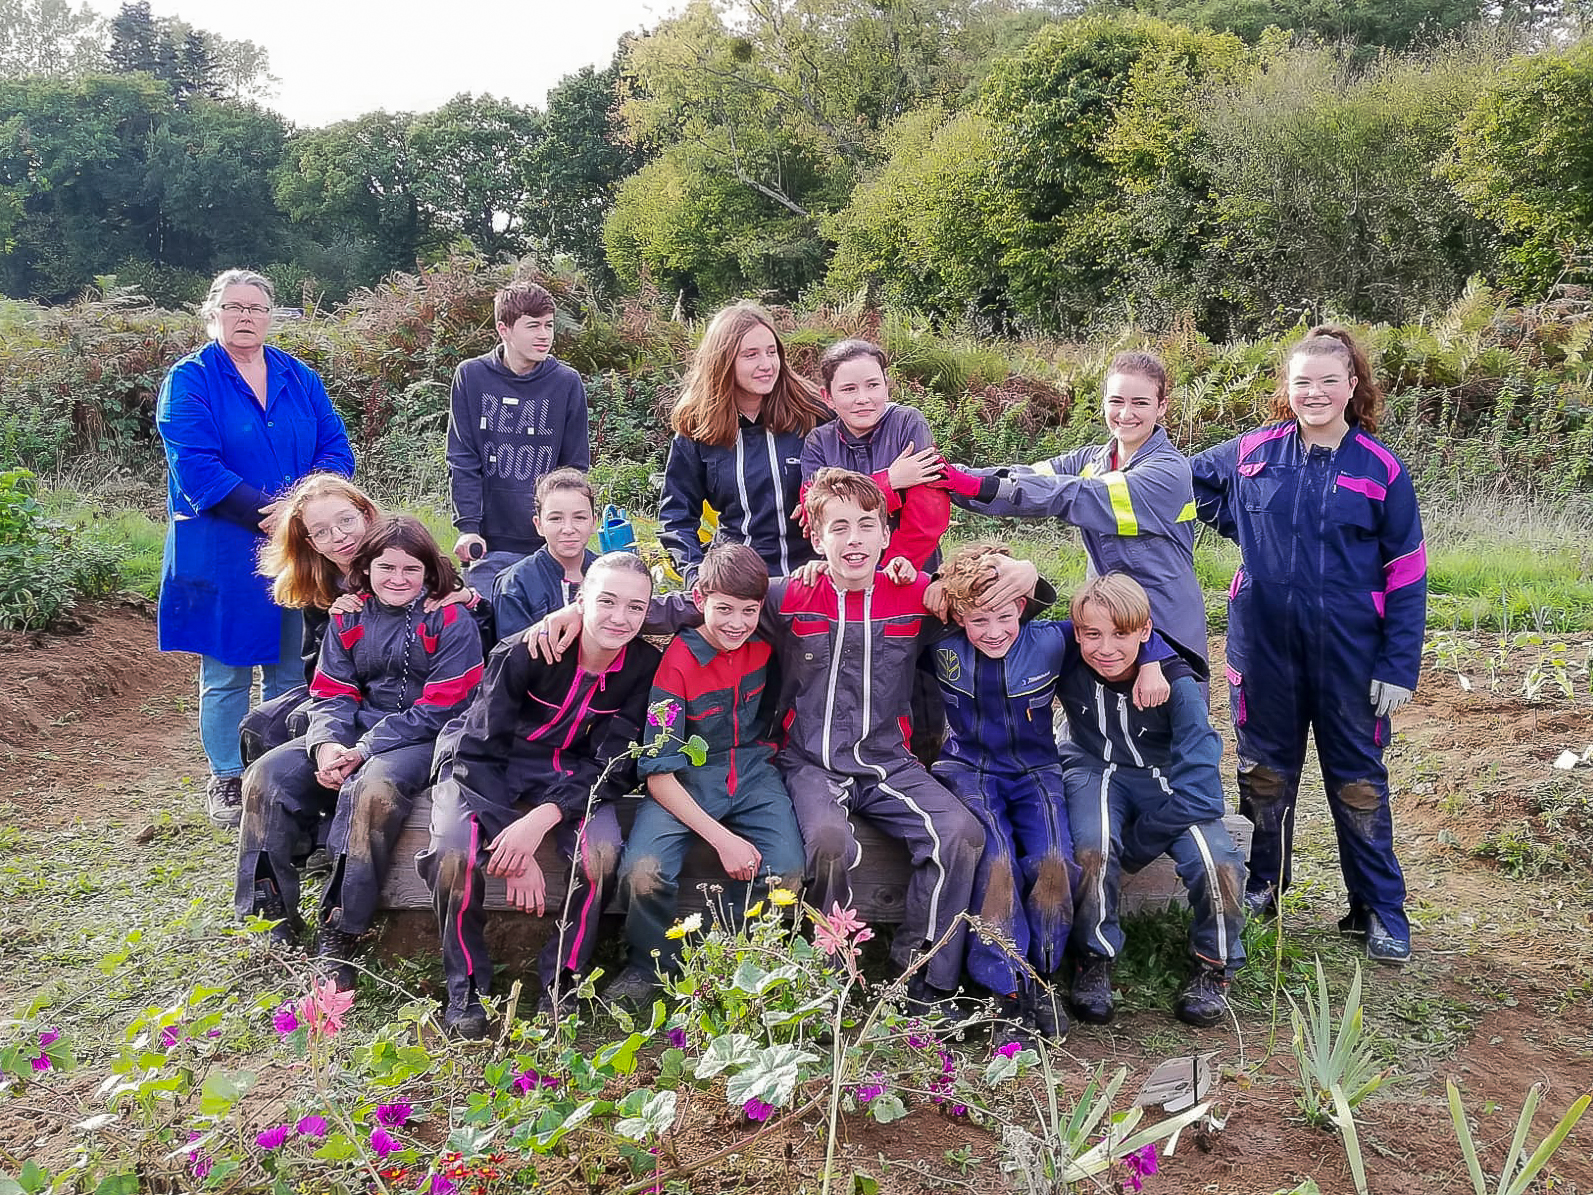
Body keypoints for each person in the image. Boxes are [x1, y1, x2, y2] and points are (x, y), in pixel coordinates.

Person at [1191, 326, 1425, 964]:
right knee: (1263, 775)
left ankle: (1378, 909)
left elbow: (1407, 574)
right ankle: (1265, 884)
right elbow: (1184, 483)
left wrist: (1398, 664)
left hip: (1350, 652)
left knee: (1357, 783)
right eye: (1303, 382)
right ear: (1286, 390)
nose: (1315, 393)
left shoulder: (1381, 470)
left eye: (1329, 381)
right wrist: (1234, 521)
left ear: (1353, 387)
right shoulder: (1250, 454)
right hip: (1263, 643)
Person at [932, 544, 1173, 1046]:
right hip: (968, 769)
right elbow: (886, 605)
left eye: (1003, 615)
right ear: (957, 616)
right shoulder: (939, 642)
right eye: (978, 620)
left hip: (1037, 770)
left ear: (1021, 606)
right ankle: (1006, 987)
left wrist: (1152, 661)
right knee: (994, 859)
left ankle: (1042, 974)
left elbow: (1114, 628)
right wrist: (929, 584)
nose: (994, 631)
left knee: (1053, 860)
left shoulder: (1049, 641)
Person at [418, 552, 662, 1038]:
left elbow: (613, 764)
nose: (619, 618)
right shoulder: (525, 651)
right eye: (606, 602)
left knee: (600, 855)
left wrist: (541, 819)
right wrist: (513, 849)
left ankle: (562, 980)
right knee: (451, 853)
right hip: (488, 767)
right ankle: (466, 983)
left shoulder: (643, 668)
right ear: (579, 600)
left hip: (570, 777)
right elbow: (478, 749)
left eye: (635, 607)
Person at [236, 516, 485, 987]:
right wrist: (328, 742)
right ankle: (269, 920)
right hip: (353, 730)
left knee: (370, 789)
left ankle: (341, 930)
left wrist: (363, 749)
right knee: (267, 776)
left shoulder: (450, 619)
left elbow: (442, 708)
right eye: (385, 567)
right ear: (365, 568)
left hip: (423, 737)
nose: (398, 578)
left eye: (411, 570)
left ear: (430, 572)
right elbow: (332, 692)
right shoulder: (348, 617)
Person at [156, 268, 354, 826]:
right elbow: (195, 465)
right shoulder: (190, 379)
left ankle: (283, 769)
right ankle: (226, 776)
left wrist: (308, 509)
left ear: (271, 316)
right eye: (234, 307)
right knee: (227, 670)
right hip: (226, 543)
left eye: (256, 308)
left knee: (295, 663)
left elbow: (335, 445)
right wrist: (270, 513)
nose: (246, 317)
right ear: (212, 312)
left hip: (298, 546)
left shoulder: (298, 376)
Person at [607, 542, 805, 1006]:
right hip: (685, 780)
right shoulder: (676, 662)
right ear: (699, 600)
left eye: (748, 611)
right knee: (643, 872)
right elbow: (657, 773)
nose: (737, 623)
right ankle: (651, 964)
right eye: (724, 610)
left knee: (788, 872)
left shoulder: (765, 643)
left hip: (755, 774)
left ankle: (734, 959)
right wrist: (723, 839)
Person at [1059, 574, 1246, 1029]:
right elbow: (1017, 617)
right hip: (1093, 766)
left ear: (1145, 632)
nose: (1106, 648)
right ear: (1077, 631)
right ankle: (1094, 957)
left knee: (1216, 861)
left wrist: (1138, 849)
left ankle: (1214, 965)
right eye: (1093, 635)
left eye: (1121, 635)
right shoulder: (1066, 653)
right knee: (1094, 846)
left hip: (1168, 778)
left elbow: (1202, 790)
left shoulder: (1176, 686)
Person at [940, 351, 1207, 666]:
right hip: (1104, 618)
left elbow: (1073, 494)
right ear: (1104, 401)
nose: (1125, 413)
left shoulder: (1167, 472)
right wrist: (947, 476)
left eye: (1140, 403)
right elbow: (1026, 477)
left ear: (1162, 406)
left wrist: (975, 486)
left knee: (1173, 712)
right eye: (1117, 401)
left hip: (1163, 620)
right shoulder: (1092, 461)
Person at [658, 302, 829, 586]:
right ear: (723, 362)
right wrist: (696, 576)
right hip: (740, 586)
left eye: (771, 352)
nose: (766, 364)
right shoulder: (697, 427)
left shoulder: (814, 414)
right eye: (751, 355)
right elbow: (676, 516)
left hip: (814, 579)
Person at [447, 281, 591, 593]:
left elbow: (573, 469)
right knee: (484, 627)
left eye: (549, 325)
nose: (544, 335)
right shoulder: (471, 376)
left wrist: (564, 529)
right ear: (504, 329)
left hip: (547, 542)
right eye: (533, 326)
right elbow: (463, 458)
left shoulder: (566, 383)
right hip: (489, 541)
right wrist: (468, 528)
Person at [801, 339, 950, 572]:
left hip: (910, 569)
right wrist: (890, 481)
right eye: (849, 389)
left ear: (886, 386)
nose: (863, 398)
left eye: (872, 385)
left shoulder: (908, 423)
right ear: (828, 397)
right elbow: (818, 515)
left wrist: (890, 570)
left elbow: (928, 512)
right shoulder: (818, 442)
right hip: (844, 572)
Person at [490, 467, 598, 642]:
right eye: (555, 518)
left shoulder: (608, 575)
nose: (568, 529)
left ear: (593, 522)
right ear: (538, 524)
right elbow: (511, 654)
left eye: (580, 517)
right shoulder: (516, 583)